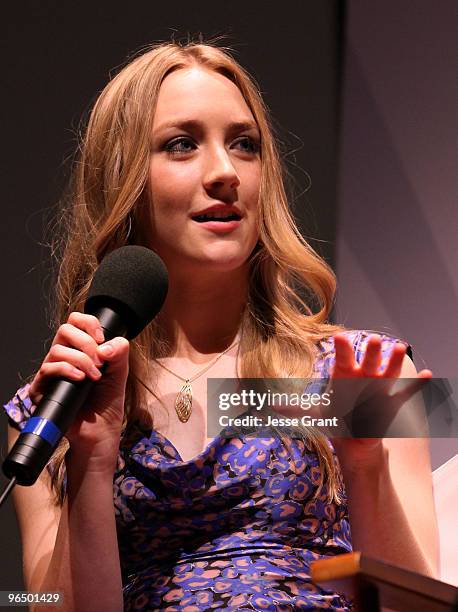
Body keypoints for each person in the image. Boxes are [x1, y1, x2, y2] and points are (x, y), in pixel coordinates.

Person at [3, 41, 439, 611]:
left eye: (245, 145)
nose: (226, 172)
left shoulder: (361, 370)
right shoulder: (53, 406)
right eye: (182, 145)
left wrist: (365, 466)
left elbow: (419, 604)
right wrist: (93, 456)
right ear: (124, 181)